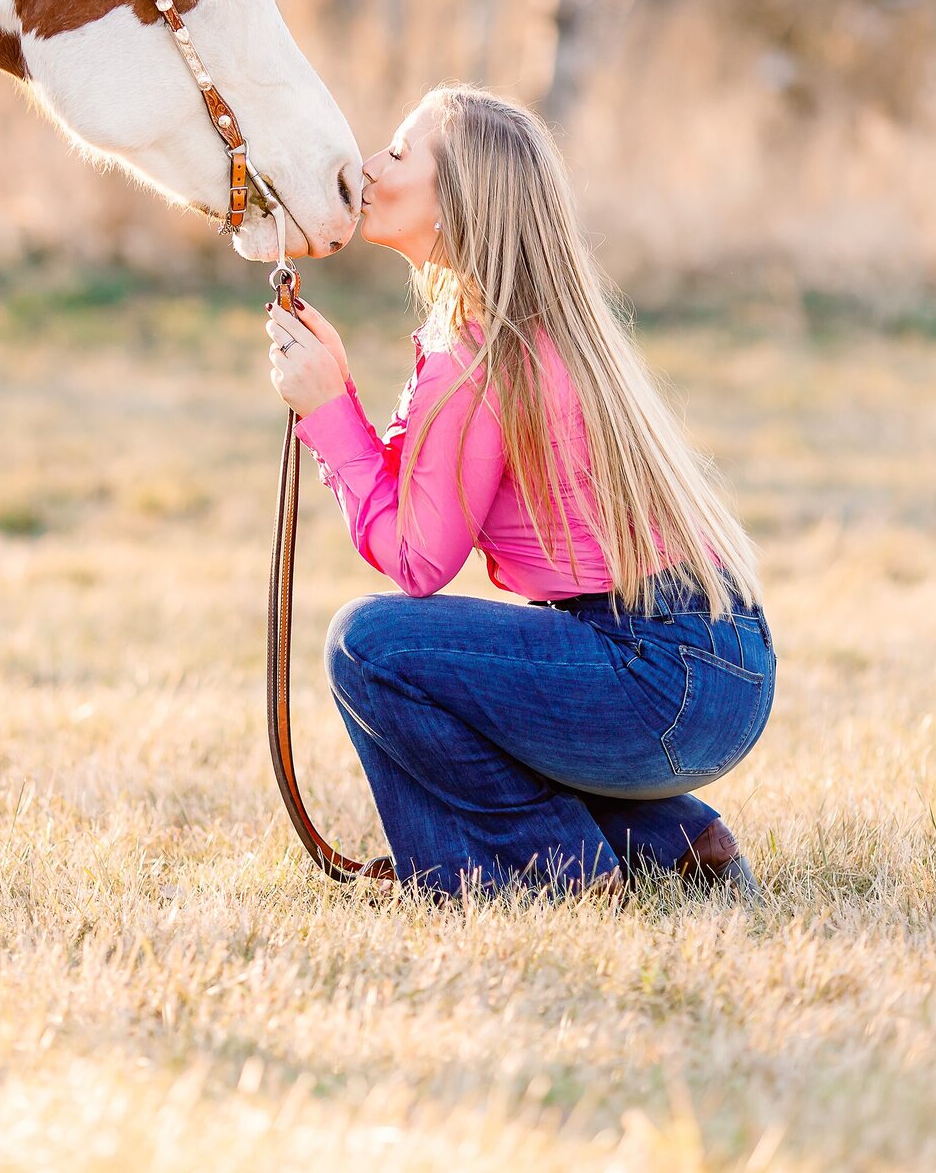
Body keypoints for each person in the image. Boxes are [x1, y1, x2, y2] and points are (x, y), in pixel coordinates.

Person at [263, 83, 774, 902]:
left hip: (656, 673)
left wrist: (327, 411)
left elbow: (417, 560)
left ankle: (551, 870)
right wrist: (339, 403)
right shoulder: (523, 330)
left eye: (398, 154)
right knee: (438, 673)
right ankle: (672, 845)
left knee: (372, 645)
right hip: (714, 666)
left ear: (458, 202)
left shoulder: (481, 357)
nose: (369, 165)